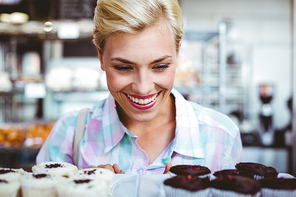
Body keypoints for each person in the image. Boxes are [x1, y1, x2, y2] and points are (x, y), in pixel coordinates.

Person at [36, 0, 243, 175]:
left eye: (160, 66)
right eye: (124, 67)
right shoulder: (70, 134)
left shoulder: (222, 137)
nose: (143, 88)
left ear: (178, 53)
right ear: (100, 56)